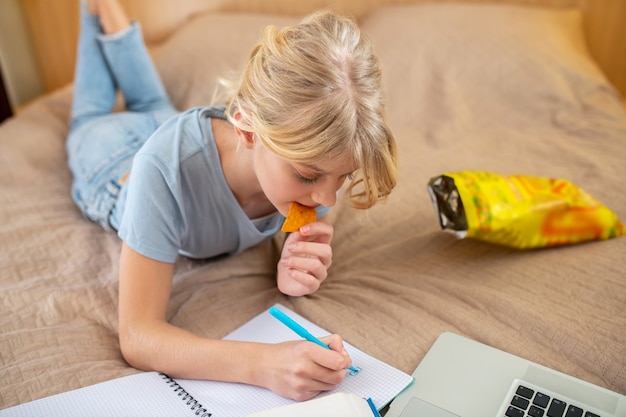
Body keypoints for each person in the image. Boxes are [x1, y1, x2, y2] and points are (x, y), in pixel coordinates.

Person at [66, 0, 398, 401]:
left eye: (344, 175)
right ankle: (93, 9)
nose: (328, 197)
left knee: (154, 106)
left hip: (164, 121)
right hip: (114, 163)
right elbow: (137, 337)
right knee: (89, 114)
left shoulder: (313, 159)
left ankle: (118, 28)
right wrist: (262, 365)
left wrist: (291, 272)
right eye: (308, 175)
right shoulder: (162, 169)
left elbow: (302, 223)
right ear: (248, 131)